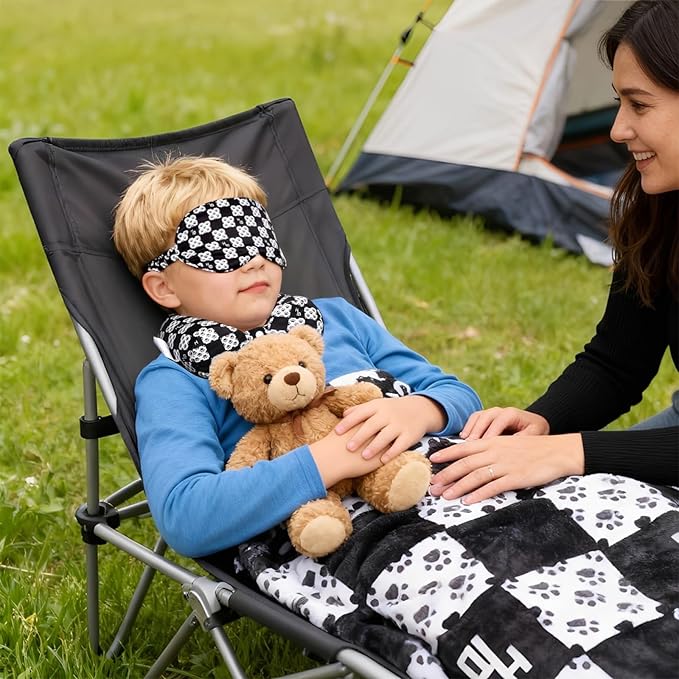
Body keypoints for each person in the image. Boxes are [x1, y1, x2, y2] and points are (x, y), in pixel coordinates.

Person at [112, 155, 481, 557]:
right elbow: (186, 516)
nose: (254, 260)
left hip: (451, 482)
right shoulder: (175, 380)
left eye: (260, 237)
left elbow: (458, 395)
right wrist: (330, 459)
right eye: (223, 244)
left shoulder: (336, 318)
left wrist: (420, 410)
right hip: (343, 536)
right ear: (164, 288)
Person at [422, 0, 678, 505]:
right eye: (620, 102)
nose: (617, 130)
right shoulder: (660, 207)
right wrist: (542, 422)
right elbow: (617, 363)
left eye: (639, 105)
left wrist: (572, 452)